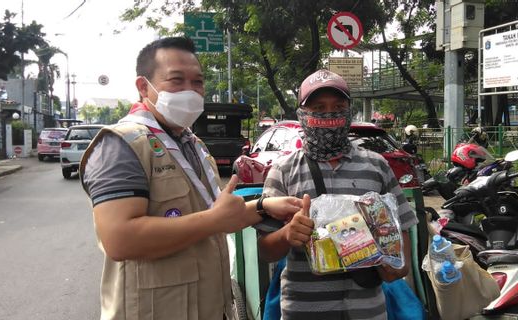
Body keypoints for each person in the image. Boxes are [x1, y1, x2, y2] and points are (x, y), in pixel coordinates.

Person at [79, 37, 303, 320]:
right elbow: (119, 239)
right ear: (142, 86)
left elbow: (213, 214)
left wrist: (263, 207)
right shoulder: (122, 145)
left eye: (197, 82)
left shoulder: (191, 143)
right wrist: (214, 221)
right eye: (176, 80)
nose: (191, 91)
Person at [258, 69, 419, 320]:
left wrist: (399, 263)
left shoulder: (376, 166)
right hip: (304, 310)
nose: (329, 115)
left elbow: (403, 227)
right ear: (302, 114)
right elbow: (265, 250)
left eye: (337, 106)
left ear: (349, 110)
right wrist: (287, 235)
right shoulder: (283, 170)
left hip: (369, 310)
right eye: (319, 108)